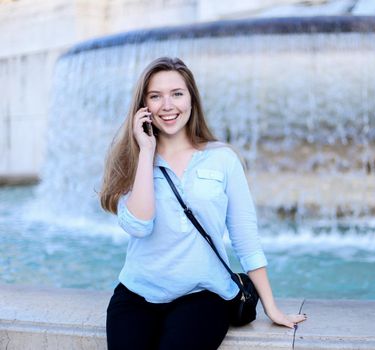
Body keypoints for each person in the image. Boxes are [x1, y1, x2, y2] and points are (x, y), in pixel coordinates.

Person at [99, 57, 306, 349]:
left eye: (177, 94)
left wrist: (271, 307)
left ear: (192, 100)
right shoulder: (132, 161)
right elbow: (139, 225)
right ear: (143, 107)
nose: (167, 105)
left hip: (203, 295)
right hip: (137, 295)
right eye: (155, 96)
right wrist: (146, 152)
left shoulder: (223, 158)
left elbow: (245, 237)